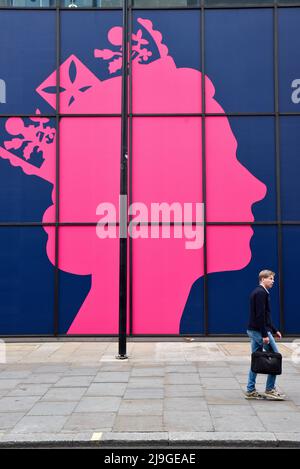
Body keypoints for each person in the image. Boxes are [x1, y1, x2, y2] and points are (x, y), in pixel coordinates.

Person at [245, 270, 285, 400]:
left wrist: (274, 329)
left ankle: (250, 390)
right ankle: (270, 389)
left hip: (255, 330)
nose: (273, 281)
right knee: (275, 357)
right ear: (263, 279)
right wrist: (265, 334)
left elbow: (265, 315)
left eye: (273, 279)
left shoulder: (259, 292)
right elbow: (260, 316)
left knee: (256, 359)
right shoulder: (261, 293)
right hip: (259, 331)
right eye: (271, 278)